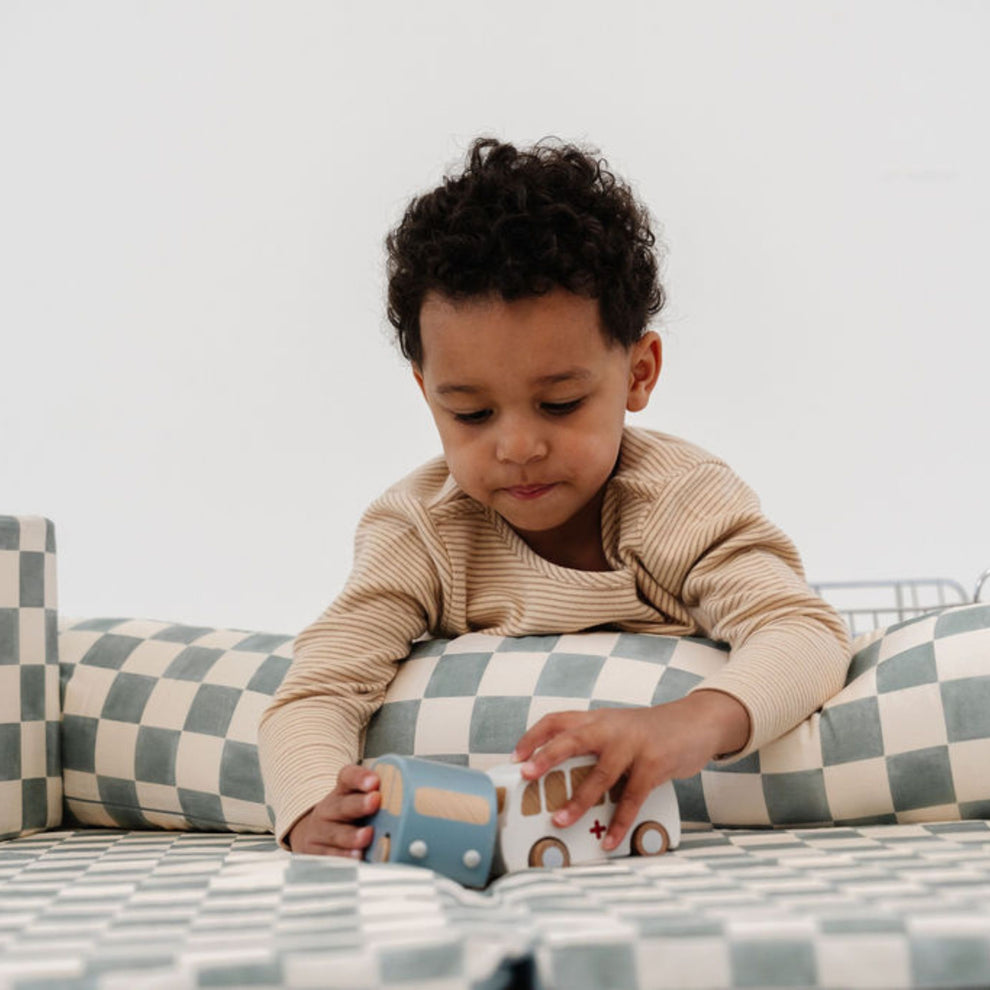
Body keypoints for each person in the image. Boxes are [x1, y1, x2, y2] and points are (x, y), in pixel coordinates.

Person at [259, 136, 851, 858]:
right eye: (471, 414)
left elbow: (804, 631)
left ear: (638, 372)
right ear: (427, 393)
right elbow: (320, 687)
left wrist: (681, 723)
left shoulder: (678, 501)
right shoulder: (420, 529)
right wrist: (316, 803)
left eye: (561, 403)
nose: (516, 448)